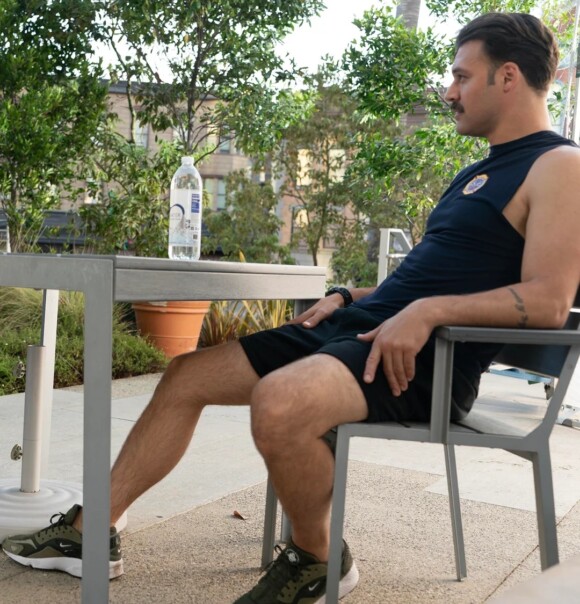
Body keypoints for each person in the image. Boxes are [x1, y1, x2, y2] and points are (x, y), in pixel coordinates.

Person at [3, 11, 580, 604]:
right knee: (185, 376)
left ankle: (318, 559)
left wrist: (428, 313)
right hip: (366, 327)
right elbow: (420, 283)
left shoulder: (560, 166)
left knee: (279, 404)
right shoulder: (476, 173)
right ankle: (90, 531)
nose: (449, 92)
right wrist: (347, 296)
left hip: (423, 360)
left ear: (507, 77)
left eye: (461, 76)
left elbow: (550, 301)